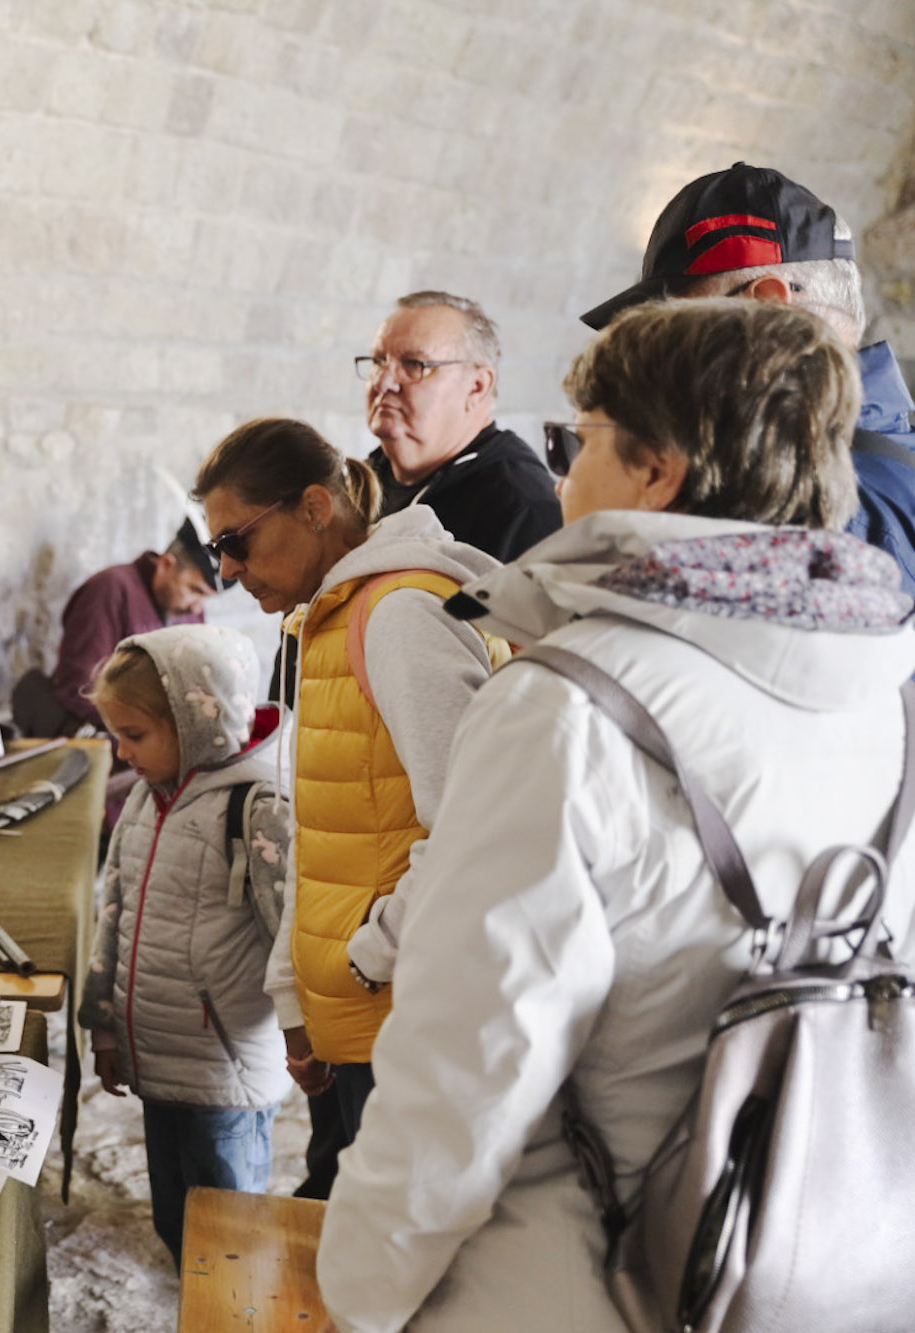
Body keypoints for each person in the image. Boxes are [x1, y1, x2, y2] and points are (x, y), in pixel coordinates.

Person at [318, 298, 915, 1331]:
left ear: (657, 472)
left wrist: (359, 1291)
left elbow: (466, 1069)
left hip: (572, 1282)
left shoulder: (566, 707)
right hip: (820, 1263)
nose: (560, 477)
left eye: (580, 440)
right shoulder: (890, 694)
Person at [190, 419, 502, 1178]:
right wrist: (297, 994)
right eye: (215, 549)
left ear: (315, 507)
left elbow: (476, 829)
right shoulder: (330, 617)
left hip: (408, 1013)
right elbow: (325, 825)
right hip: (361, 1011)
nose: (228, 569)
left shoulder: (401, 618)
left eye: (236, 541)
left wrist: (368, 957)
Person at [581, 161, 915, 593]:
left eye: (679, 325)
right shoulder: (855, 461)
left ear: (769, 308)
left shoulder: (823, 505)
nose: (664, 357)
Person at [76, 623, 288, 1266]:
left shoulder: (258, 806)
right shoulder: (146, 801)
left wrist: (307, 1035)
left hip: (225, 1069)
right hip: (157, 1056)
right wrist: (105, 1026)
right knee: (177, 1219)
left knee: (231, 1232)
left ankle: (231, 1303)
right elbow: (112, 915)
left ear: (197, 723)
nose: (122, 753)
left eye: (135, 735)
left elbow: (292, 935)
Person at [360, 291, 563, 562]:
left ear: (477, 386)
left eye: (413, 364)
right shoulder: (360, 484)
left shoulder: (524, 511)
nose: (383, 382)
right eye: (378, 361)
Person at [46, 519, 220, 734]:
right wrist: (150, 731)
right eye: (195, 590)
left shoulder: (192, 613)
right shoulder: (110, 589)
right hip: (107, 739)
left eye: (206, 597)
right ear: (166, 564)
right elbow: (79, 688)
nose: (197, 608)